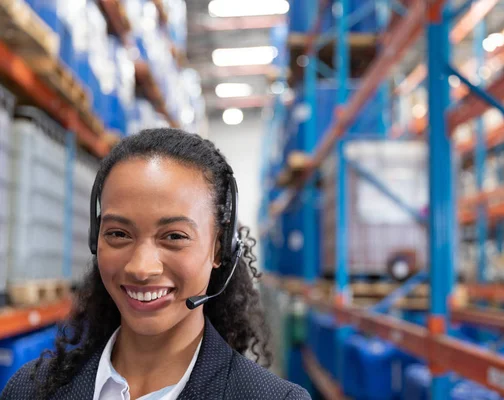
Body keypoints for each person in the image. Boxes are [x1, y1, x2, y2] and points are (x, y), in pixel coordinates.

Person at [0, 129, 311, 400]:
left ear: (220, 250)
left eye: (174, 236)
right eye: (119, 234)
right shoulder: (30, 389)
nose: (141, 267)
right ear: (96, 240)